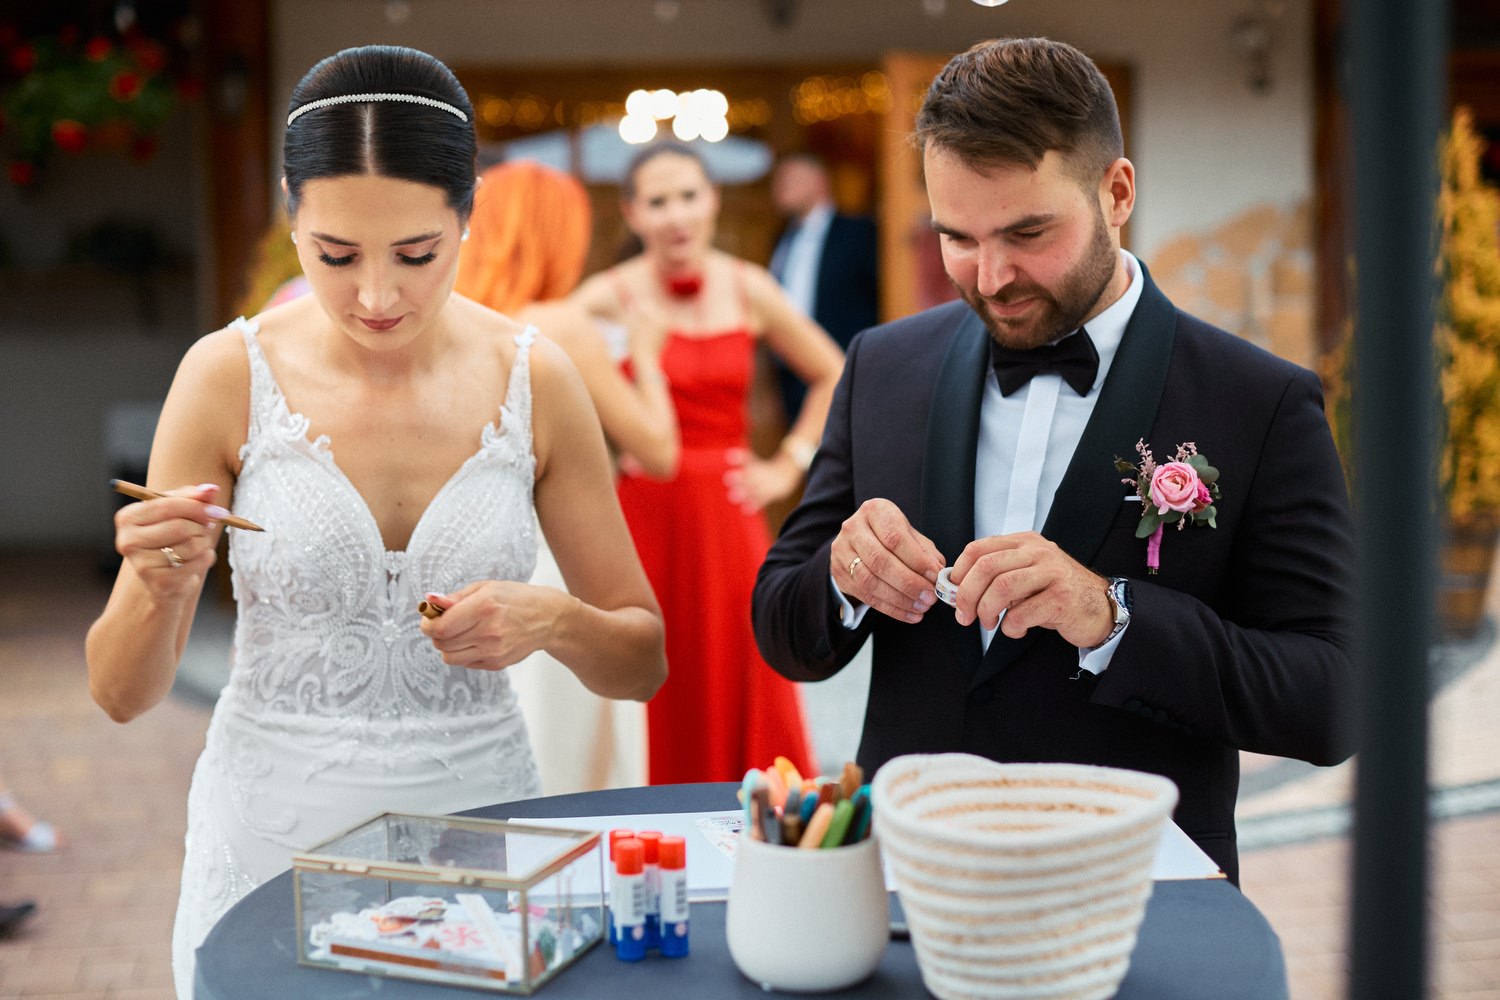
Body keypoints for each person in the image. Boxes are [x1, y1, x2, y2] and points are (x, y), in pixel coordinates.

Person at [84, 45, 666, 996]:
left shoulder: (536, 377)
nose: (377, 296)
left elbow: (642, 662)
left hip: (480, 832)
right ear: (292, 214)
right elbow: (119, 694)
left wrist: (554, 621)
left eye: (417, 254)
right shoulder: (226, 375)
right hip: (270, 837)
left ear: (468, 213)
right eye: (336, 255)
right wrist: (158, 582)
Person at [751, 37, 1356, 885]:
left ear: (1117, 193)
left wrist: (1113, 619)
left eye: (1028, 232)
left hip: (1138, 888)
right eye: (957, 237)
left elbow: (1332, 699)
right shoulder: (883, 367)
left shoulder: (1258, 401)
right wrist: (844, 578)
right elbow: (782, 626)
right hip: (907, 883)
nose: (991, 277)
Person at [572, 141, 845, 785]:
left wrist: (789, 464)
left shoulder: (749, 286)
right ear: (632, 213)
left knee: (741, 659)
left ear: (713, 200)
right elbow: (552, 379)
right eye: (658, 202)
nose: (676, 215)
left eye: (689, 196)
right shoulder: (603, 298)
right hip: (641, 514)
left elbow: (835, 372)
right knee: (652, 663)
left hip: (728, 512)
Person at [453, 159, 678, 794]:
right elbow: (659, 451)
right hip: (559, 560)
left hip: (482, 559)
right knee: (569, 771)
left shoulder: (461, 326)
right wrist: (649, 358)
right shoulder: (559, 326)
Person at [766, 153, 879, 422]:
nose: (780, 187)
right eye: (779, 181)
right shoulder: (782, 237)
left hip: (845, 364)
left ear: (819, 181)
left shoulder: (858, 232)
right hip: (790, 369)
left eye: (790, 179)